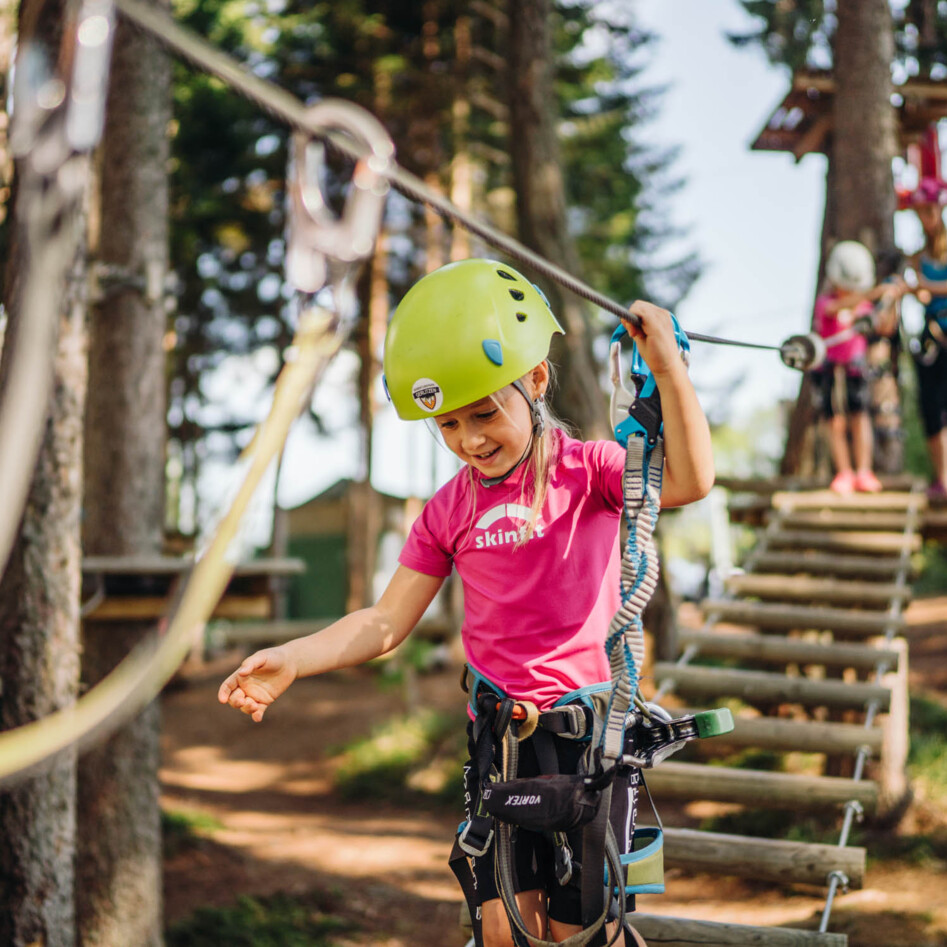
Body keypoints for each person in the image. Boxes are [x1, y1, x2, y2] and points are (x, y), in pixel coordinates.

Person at [218, 259, 714, 947]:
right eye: (447, 425)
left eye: (484, 413)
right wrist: (293, 657)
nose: (469, 440)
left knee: (583, 933)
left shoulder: (589, 471)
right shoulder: (448, 509)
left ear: (535, 380)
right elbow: (383, 619)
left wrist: (668, 371)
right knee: (506, 931)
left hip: (588, 744)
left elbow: (689, 479)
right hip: (504, 742)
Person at [811, 240, 902, 494]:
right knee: (835, 422)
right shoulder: (826, 302)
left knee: (860, 418)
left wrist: (890, 300)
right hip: (829, 370)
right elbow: (835, 308)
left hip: (855, 370)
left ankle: (863, 471)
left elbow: (885, 328)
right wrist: (874, 293)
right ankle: (844, 472)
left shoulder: (863, 307)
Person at [905, 179, 947, 500]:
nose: (925, 217)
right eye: (920, 212)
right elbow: (920, 294)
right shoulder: (918, 257)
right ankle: (942, 479)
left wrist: (922, 285)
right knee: (932, 409)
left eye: (928, 210)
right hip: (932, 336)